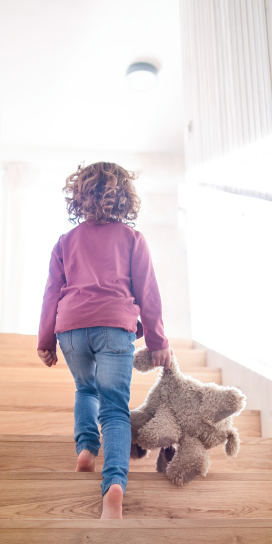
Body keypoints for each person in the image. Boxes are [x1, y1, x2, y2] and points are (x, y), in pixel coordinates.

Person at [37, 161, 171, 519]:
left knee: (85, 390)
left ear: (78, 197)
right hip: (114, 325)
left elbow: (52, 293)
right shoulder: (132, 239)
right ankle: (113, 485)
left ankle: (85, 450)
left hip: (70, 328)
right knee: (114, 408)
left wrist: (46, 340)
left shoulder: (65, 242)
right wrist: (158, 342)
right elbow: (149, 293)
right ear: (125, 198)